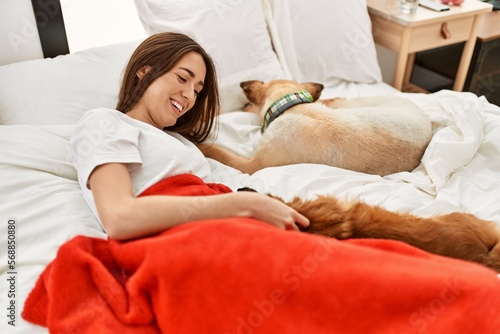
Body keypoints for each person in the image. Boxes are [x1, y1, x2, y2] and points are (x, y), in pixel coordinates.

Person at [70, 32, 309, 240]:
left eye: (197, 90)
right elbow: (119, 217)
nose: (189, 95)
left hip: (222, 228)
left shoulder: (182, 142)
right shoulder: (105, 122)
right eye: (183, 78)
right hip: (181, 239)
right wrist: (240, 205)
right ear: (144, 71)